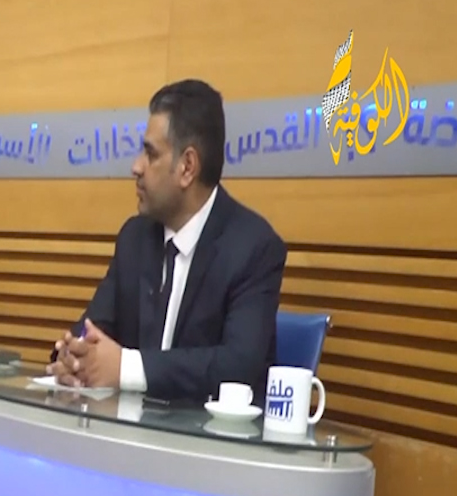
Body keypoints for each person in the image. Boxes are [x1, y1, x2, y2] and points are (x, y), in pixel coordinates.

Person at [51, 79, 286, 402]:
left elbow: (239, 366)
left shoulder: (253, 248)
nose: (136, 167)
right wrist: (72, 358)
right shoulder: (135, 238)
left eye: (150, 154)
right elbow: (92, 329)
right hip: (128, 428)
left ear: (187, 167)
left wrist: (127, 368)